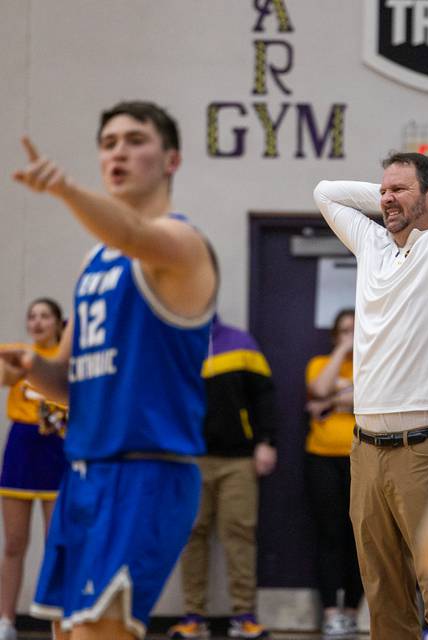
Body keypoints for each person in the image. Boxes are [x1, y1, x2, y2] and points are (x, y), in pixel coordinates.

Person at [2, 101, 218, 639]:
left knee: (101, 633)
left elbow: (133, 236)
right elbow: (68, 383)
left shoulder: (183, 245)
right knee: (67, 632)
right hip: (83, 473)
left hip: (145, 474)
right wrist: (27, 366)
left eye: (135, 140)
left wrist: (64, 189)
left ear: (171, 160)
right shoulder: (95, 262)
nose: (118, 151)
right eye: (108, 143)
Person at [313, 150, 428, 640]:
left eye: (398, 189)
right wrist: (394, 199)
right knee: (383, 595)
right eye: (382, 189)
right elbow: (324, 192)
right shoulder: (373, 244)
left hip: (427, 449)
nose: (386, 198)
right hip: (365, 449)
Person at [169, 315, 276, 640]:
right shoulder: (175, 343)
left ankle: (244, 616)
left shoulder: (241, 342)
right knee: (191, 535)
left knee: (239, 535)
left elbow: (264, 395)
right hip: (190, 459)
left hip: (238, 461)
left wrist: (266, 441)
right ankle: (193, 617)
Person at [0, 299, 67, 640]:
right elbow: (6, 373)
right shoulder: (19, 356)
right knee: (14, 542)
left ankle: (58, 621)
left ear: (58, 322)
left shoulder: (66, 359)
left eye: (45, 316)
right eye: (32, 316)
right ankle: (6, 621)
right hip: (22, 448)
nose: (38, 322)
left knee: (57, 542)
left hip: (57, 448)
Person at [303, 308, 363, 637]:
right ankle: (330, 614)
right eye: (344, 331)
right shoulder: (319, 363)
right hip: (322, 459)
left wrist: (331, 402)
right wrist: (342, 351)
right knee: (329, 535)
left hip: (360, 458)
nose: (350, 335)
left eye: (355, 330)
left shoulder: (372, 364)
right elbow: (319, 389)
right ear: (334, 335)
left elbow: (368, 399)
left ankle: (352, 611)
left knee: (359, 537)